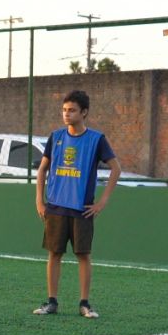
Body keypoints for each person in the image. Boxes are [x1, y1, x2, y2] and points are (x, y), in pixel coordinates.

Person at [34, 89, 120, 319]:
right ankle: (51, 301)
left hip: (82, 209)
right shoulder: (56, 137)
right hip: (55, 207)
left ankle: (84, 303)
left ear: (84, 113)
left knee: (83, 255)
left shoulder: (97, 140)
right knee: (54, 254)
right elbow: (42, 170)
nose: (66, 114)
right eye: (64, 110)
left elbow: (116, 169)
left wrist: (102, 202)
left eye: (71, 110)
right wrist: (39, 201)